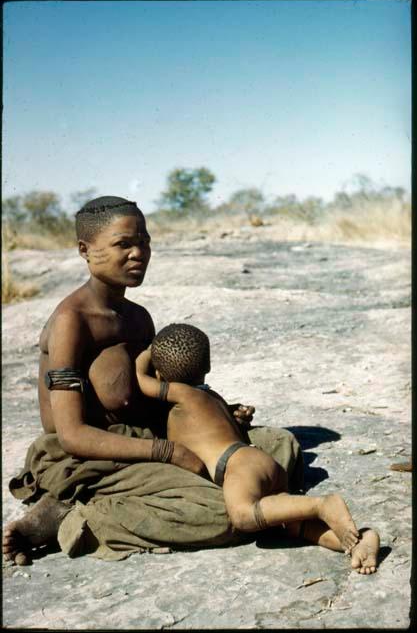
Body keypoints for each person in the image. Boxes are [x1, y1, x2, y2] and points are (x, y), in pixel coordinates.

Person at [3, 196, 304, 565]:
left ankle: (147, 495)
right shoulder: (72, 322)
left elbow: (156, 395)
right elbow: (70, 434)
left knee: (278, 444)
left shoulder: (138, 318)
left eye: (144, 241)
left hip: (145, 436)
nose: (138, 253)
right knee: (225, 512)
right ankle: (75, 516)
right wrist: (170, 452)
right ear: (85, 249)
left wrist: (217, 414)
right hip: (87, 454)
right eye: (123, 244)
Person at [136, 323, 380, 575]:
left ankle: (321, 505)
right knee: (290, 526)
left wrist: (146, 352)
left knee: (242, 516)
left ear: (160, 375)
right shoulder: (212, 397)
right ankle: (359, 542)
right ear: (207, 367)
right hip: (256, 459)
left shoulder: (180, 394)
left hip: (236, 467)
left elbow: (141, 381)